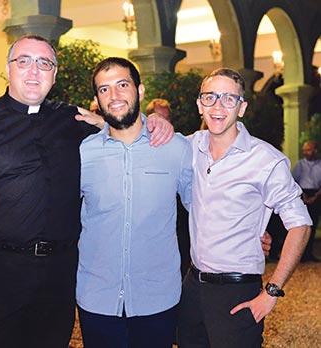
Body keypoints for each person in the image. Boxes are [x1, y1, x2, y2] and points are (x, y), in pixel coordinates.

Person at [0, 35, 173, 348]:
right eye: (24, 61)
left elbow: (119, 131)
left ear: (54, 74)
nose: (34, 71)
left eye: (44, 63)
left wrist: (151, 120)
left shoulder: (71, 121)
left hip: (56, 282)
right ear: (8, 69)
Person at [178, 68, 311, 347]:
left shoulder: (265, 160)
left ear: (242, 108)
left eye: (229, 98)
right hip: (193, 287)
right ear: (199, 104)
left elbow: (301, 224)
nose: (218, 106)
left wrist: (272, 291)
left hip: (237, 291)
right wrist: (102, 122)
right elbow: (143, 140)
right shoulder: (189, 147)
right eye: (210, 97)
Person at [76, 57, 192, 347]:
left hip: (157, 299)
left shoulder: (175, 148)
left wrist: (251, 232)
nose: (114, 96)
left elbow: (204, 206)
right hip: (97, 299)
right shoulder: (81, 153)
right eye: (104, 89)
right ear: (96, 100)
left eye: (122, 85)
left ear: (140, 91)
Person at [292, 140, 321, 261]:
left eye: (308, 150)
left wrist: (315, 197)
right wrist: (303, 196)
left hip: (317, 195)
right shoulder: (299, 165)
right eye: (304, 150)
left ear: (315, 150)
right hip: (302, 194)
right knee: (302, 225)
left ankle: (309, 253)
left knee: (313, 225)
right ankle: (300, 255)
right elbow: (293, 181)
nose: (305, 152)